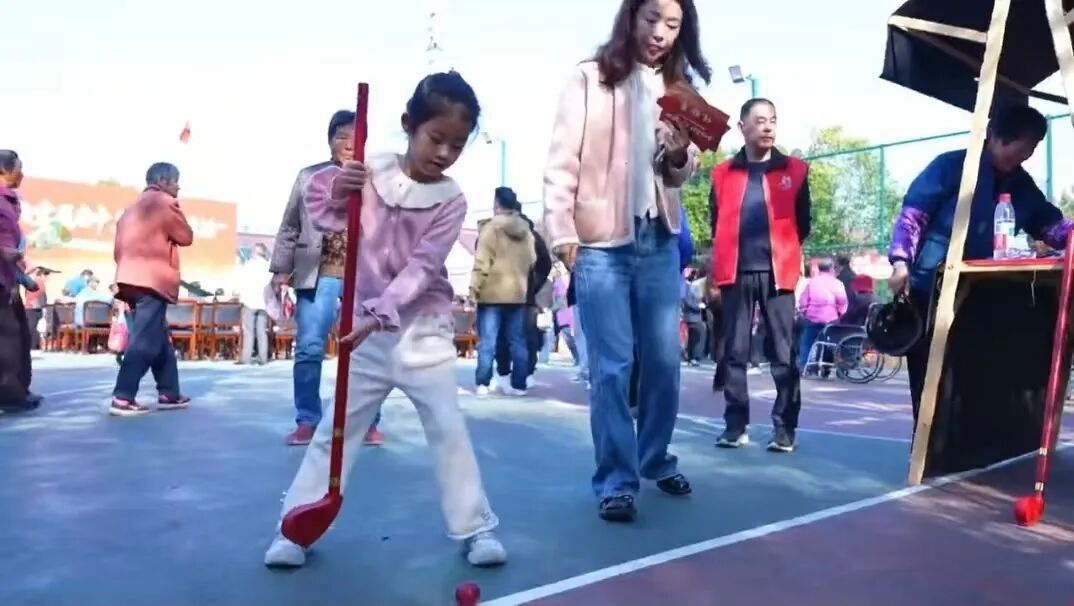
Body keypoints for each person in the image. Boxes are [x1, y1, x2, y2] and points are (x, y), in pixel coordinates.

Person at [264, 71, 506, 569]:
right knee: (335, 430)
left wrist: (380, 312)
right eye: (436, 138)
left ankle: (476, 527)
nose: (444, 153)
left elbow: (423, 267)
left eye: (457, 144)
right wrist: (341, 190)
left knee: (448, 428)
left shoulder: (452, 199)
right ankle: (294, 527)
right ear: (408, 125)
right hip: (365, 336)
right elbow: (328, 217)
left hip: (423, 334)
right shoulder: (368, 170)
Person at [544, 0, 708, 522]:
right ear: (631, 17)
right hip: (600, 244)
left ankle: (655, 457)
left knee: (664, 363)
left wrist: (678, 152)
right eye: (651, 19)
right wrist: (562, 233)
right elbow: (562, 159)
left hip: (659, 241)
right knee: (612, 367)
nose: (660, 32)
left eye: (672, 24)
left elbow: (684, 170)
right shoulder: (589, 78)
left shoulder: (681, 91)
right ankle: (617, 480)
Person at [888, 104, 1073, 418]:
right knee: (931, 380)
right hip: (932, 289)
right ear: (996, 137)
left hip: (984, 293)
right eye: (1021, 146)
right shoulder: (950, 167)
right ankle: (927, 445)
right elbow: (913, 217)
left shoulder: (1021, 184)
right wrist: (900, 262)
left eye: (1032, 149)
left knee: (976, 381)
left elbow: (1049, 225)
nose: (1025, 154)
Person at [271, 110, 383, 446]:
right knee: (309, 348)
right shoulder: (309, 176)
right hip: (316, 272)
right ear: (330, 140)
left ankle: (367, 421)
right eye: (341, 137)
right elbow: (290, 225)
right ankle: (307, 420)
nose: (348, 144)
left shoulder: (375, 179)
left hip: (363, 276)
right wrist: (280, 269)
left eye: (355, 138)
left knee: (366, 351)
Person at [710, 97, 812, 453]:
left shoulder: (795, 171)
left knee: (783, 354)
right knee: (735, 352)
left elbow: (803, 223)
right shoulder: (722, 174)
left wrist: (784, 252)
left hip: (778, 274)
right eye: (759, 120)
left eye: (773, 120)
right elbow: (716, 221)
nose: (767, 126)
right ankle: (735, 425)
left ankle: (785, 429)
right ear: (742, 128)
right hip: (735, 273)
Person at [110, 162, 194, 416]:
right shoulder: (165, 203)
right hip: (152, 280)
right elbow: (186, 236)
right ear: (163, 180)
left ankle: (169, 392)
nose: (178, 186)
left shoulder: (130, 209)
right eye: (176, 181)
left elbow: (118, 249)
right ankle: (123, 396)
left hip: (129, 278)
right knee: (144, 340)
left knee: (157, 336)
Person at [469, 188, 536, 397]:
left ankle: (483, 382)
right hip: (517, 293)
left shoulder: (491, 228)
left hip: (491, 293)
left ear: (496, 204)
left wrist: (474, 289)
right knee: (518, 340)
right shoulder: (526, 231)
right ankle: (519, 384)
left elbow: (482, 262)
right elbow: (532, 259)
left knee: (488, 341)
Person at [0, 150, 40, 412]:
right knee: (8, 340)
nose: (22, 173)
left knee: (20, 338)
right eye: (19, 168)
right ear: (4, 169)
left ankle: (19, 390)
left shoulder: (10, 201)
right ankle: (9, 396)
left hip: (9, 277)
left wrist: (23, 277)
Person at [796, 258, 848, 372]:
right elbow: (842, 302)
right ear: (831, 268)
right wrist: (840, 313)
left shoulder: (812, 282)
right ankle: (826, 367)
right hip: (831, 319)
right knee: (829, 343)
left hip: (812, 317)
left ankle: (804, 366)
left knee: (807, 343)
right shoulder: (837, 283)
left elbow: (803, 300)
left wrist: (804, 311)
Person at [234, 243, 271, 365]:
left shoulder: (249, 265)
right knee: (262, 331)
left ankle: (246, 358)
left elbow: (241, 282)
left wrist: (239, 296)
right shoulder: (268, 266)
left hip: (249, 301)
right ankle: (263, 358)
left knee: (249, 331)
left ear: (255, 253)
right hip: (264, 303)